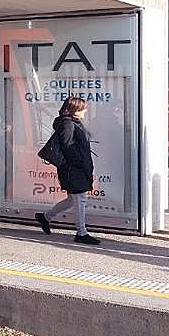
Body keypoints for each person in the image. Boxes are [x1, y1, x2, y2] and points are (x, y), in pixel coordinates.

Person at [36, 96, 101, 245]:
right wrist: (79, 164)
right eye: (82, 108)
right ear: (75, 110)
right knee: (80, 199)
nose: (85, 111)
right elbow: (68, 147)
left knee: (73, 199)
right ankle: (81, 233)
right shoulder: (68, 125)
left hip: (75, 168)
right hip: (73, 169)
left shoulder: (73, 123)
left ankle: (45, 217)